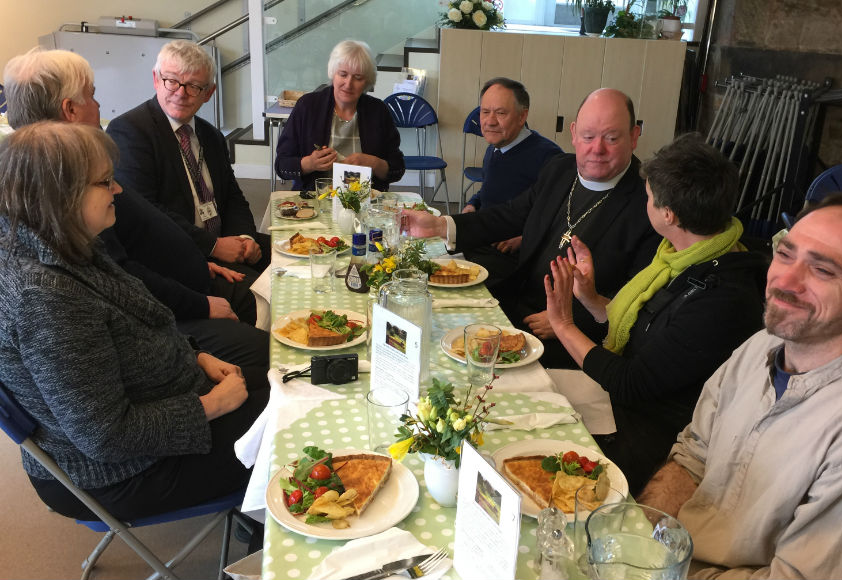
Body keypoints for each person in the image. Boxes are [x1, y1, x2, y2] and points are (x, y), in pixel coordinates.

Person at [638, 194, 842, 579]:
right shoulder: (764, 345)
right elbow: (694, 455)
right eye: (785, 254)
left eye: (823, 270)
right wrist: (638, 535)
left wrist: (668, 574)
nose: (786, 280)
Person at [0, 122, 269, 525]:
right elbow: (106, 437)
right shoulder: (46, 296)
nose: (118, 190)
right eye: (105, 181)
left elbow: (139, 326)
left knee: (288, 381)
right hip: (117, 472)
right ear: (61, 196)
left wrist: (196, 357)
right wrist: (212, 405)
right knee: (298, 420)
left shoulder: (60, 245)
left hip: (158, 406)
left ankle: (263, 512)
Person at [3, 47, 268, 368]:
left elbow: (139, 236)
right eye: (93, 95)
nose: (100, 106)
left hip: (185, 278)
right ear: (70, 109)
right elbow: (118, 276)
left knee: (272, 283)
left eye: (194, 86)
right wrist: (199, 300)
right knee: (267, 350)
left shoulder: (67, 168)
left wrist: (200, 257)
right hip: (162, 312)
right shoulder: (64, 186)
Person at [543, 134, 768, 493]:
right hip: (624, 405)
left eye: (647, 198)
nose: (644, 203)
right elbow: (644, 331)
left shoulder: (722, 295)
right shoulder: (679, 255)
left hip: (650, 436)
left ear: (668, 214)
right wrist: (591, 299)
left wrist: (564, 324)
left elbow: (631, 384)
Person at [404, 88, 660, 368]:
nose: (596, 149)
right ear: (574, 133)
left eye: (611, 138)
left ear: (634, 136)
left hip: (573, 340)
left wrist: (571, 318)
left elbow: (642, 300)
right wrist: (440, 225)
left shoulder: (650, 203)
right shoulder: (560, 169)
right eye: (587, 137)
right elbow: (509, 215)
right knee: (429, 335)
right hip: (516, 303)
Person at [106, 39, 270, 273]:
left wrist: (245, 238)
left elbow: (232, 196)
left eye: (194, 86)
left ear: (209, 93)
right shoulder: (130, 131)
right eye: (171, 81)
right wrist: (213, 246)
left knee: (295, 260)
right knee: (258, 294)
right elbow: (146, 212)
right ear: (156, 79)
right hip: (176, 255)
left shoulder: (211, 135)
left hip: (223, 239)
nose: (181, 94)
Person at [462, 77, 562, 286]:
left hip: (513, 259)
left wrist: (525, 239)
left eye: (500, 113)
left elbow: (561, 217)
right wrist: (473, 204)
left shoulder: (549, 157)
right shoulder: (495, 146)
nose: (489, 121)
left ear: (522, 116)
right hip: (484, 237)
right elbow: (489, 189)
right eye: (484, 111)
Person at [274, 40, 405, 192]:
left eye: (358, 78)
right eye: (343, 74)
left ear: (368, 81)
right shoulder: (307, 107)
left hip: (366, 202)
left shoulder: (378, 111)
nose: (348, 84)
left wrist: (374, 163)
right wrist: (310, 163)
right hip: (315, 201)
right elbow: (281, 165)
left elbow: (398, 168)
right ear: (333, 73)